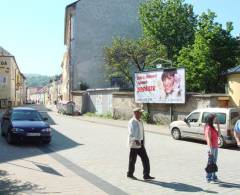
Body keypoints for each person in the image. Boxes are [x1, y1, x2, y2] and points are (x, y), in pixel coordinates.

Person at [127, 107, 155, 180]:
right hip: (134, 143)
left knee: (145, 159)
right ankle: (130, 174)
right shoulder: (132, 121)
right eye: (140, 113)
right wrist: (136, 140)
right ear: (136, 113)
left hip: (141, 143)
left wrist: (142, 142)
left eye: (141, 113)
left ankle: (146, 175)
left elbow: (141, 132)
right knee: (132, 160)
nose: (141, 114)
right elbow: (131, 133)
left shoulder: (140, 121)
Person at [204, 113, 220, 183]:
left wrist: (218, 125)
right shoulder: (208, 128)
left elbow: (219, 134)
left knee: (214, 162)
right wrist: (210, 149)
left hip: (215, 147)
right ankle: (208, 178)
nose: (216, 119)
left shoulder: (212, 127)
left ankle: (214, 177)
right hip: (212, 147)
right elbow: (208, 139)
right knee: (210, 162)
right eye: (214, 118)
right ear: (211, 119)